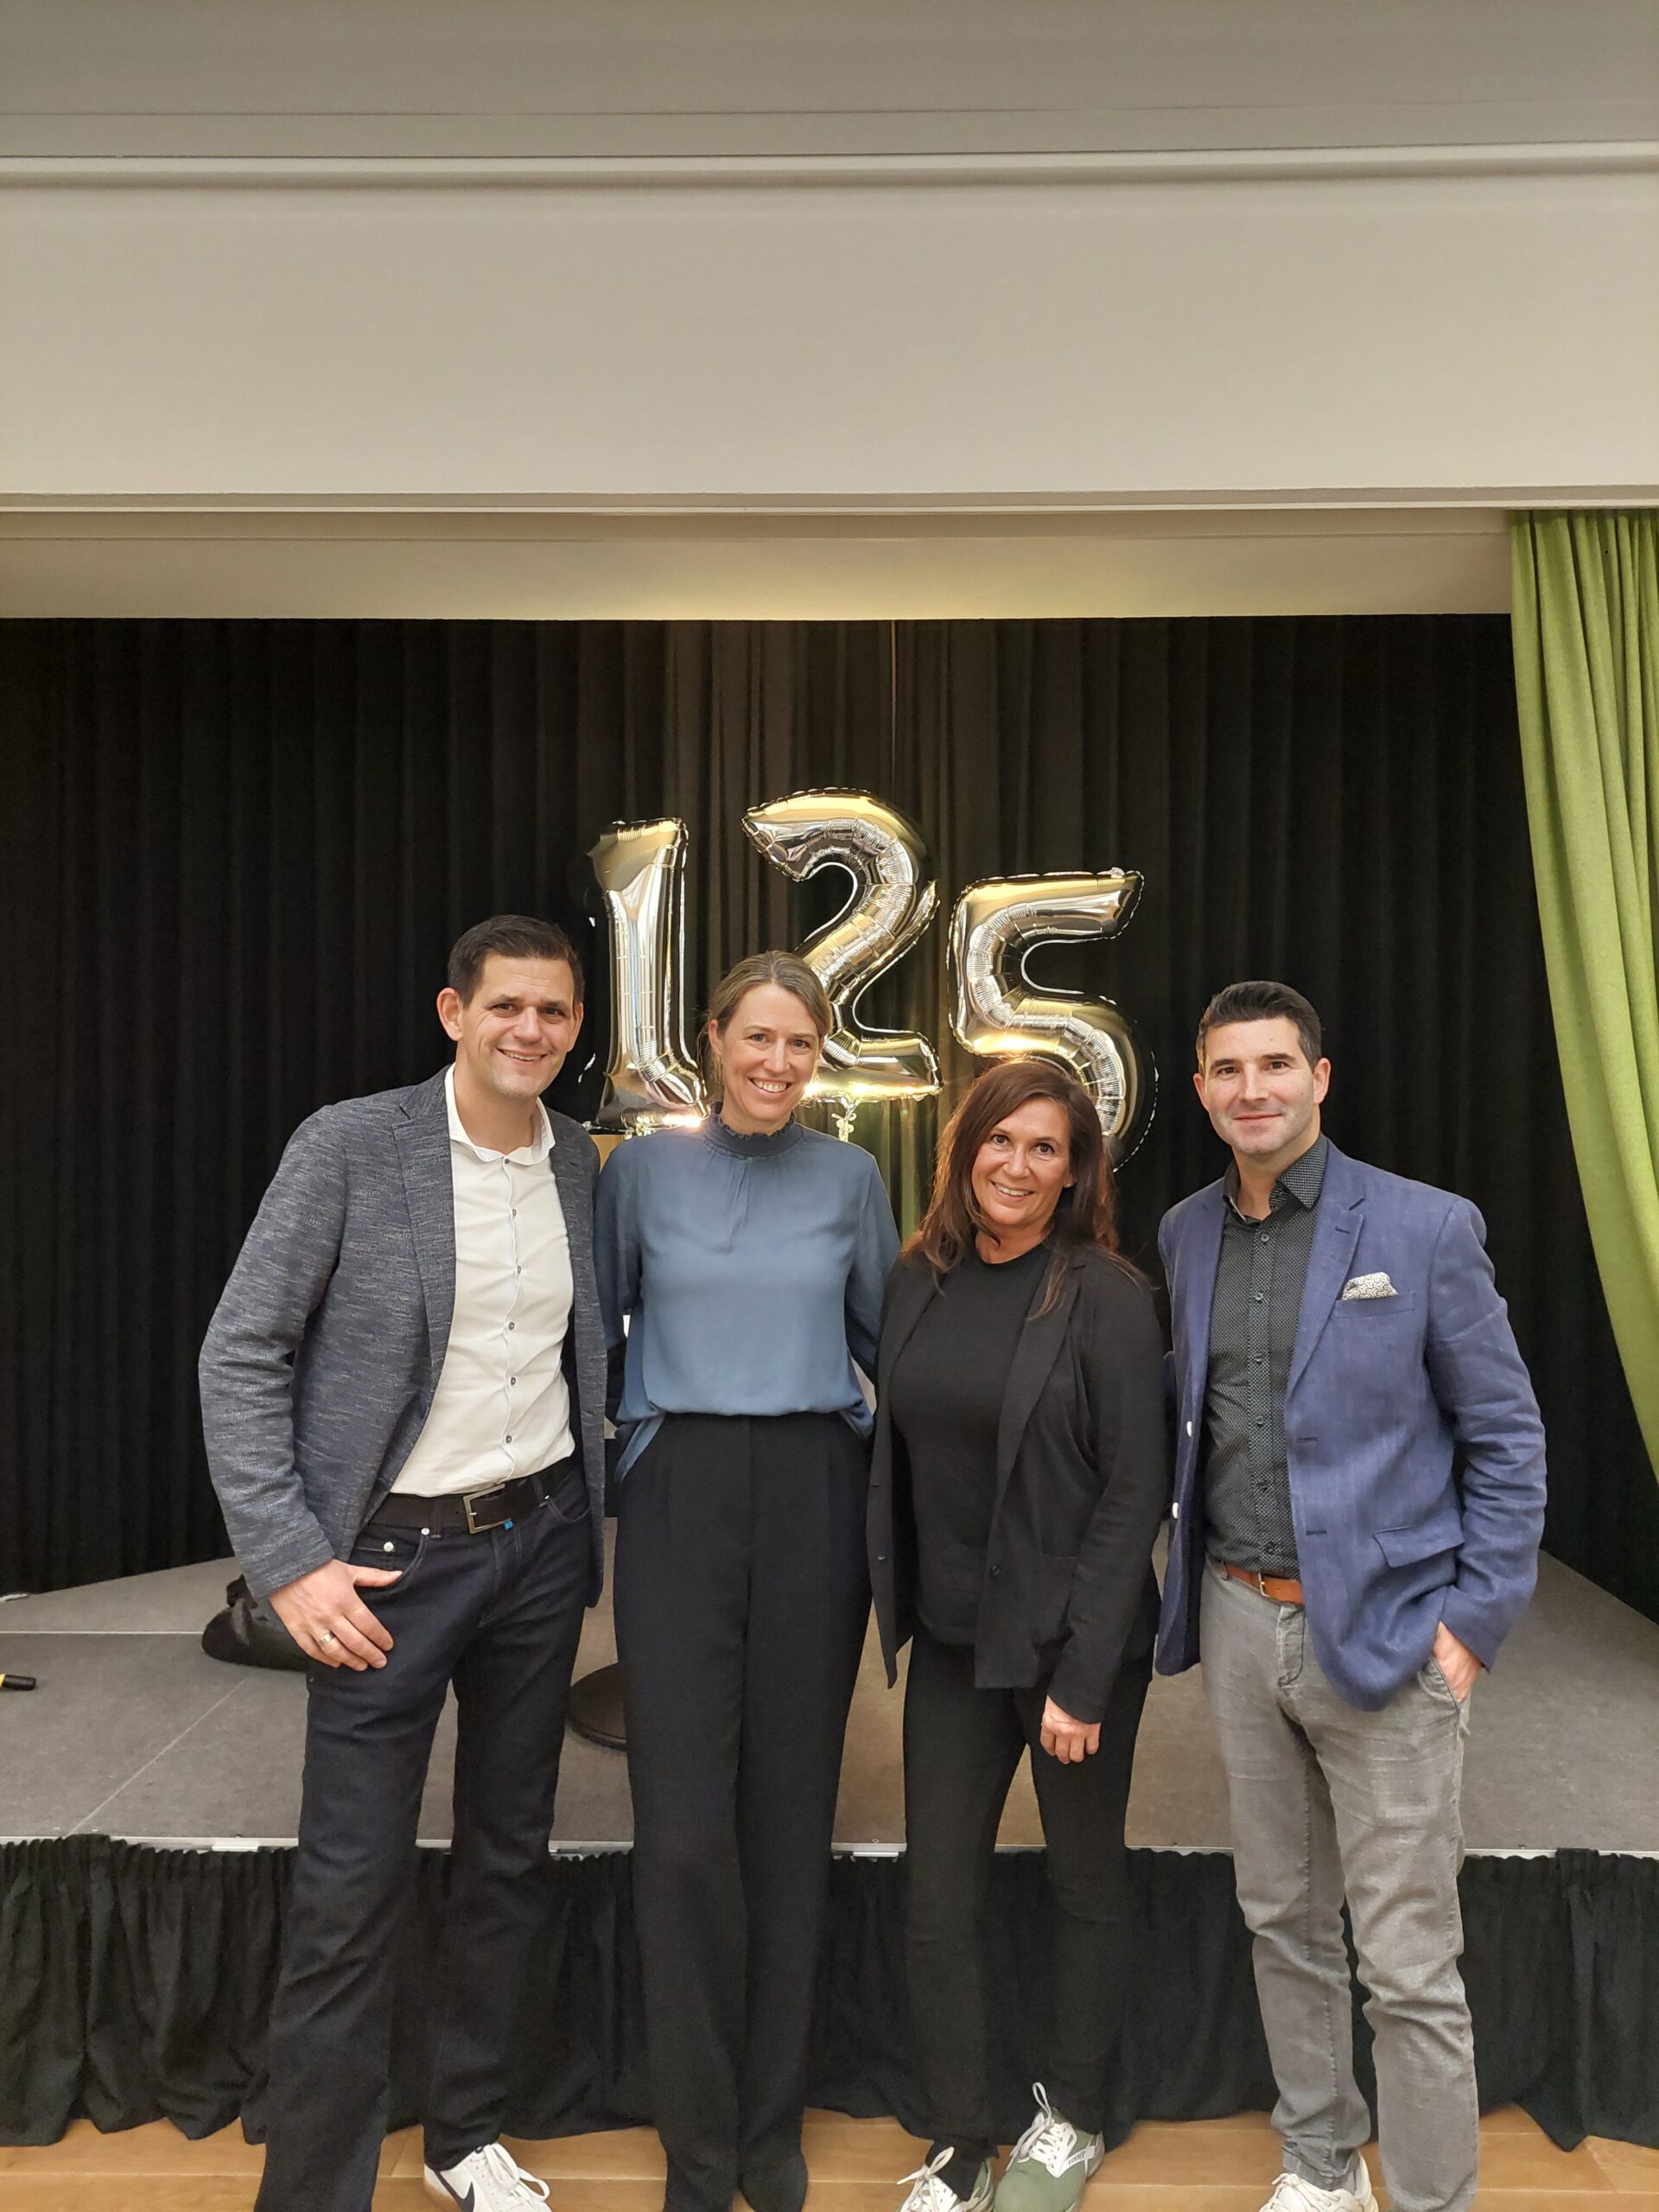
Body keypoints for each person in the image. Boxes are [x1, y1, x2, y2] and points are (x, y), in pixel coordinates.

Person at [199, 915, 607, 2212]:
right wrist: (288, 1561)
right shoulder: (350, 1146)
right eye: (507, 1006)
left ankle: (465, 2136)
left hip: (540, 1543)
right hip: (389, 1566)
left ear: (575, 1027)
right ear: (453, 1012)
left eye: (553, 1011)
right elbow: (239, 1353)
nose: (529, 1030)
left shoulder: (579, 1160)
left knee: (508, 1858)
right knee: (349, 1887)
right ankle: (316, 2188)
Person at [1157, 981, 1547, 2212]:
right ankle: (1322, 2172)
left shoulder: (1426, 1228)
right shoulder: (1184, 1233)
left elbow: (1507, 1437)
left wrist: (1472, 1623)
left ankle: (1431, 2200)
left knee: (1409, 1960)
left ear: (1319, 1078)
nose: (1253, 1089)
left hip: (1392, 1632)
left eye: (1276, 1065)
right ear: (1203, 1089)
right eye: (1229, 1070)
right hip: (1237, 1616)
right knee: (1282, 1920)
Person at [594, 950, 900, 2212]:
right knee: (679, 1834)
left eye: (800, 1044)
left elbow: (892, 1339)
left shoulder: (851, 1178)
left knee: (788, 1817)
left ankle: (768, 2131)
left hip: (815, 1489)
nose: (778, 1062)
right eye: (757, 1037)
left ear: (819, 1058)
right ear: (713, 1040)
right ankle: (697, 2136)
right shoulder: (639, 1173)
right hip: (680, 1494)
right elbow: (594, 1330)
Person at [868, 1060, 1167, 2212]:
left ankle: (1073, 2119)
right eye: (1002, 1140)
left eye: (1047, 1148)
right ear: (967, 1148)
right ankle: (960, 2135)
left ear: (1076, 1171)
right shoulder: (919, 1278)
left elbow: (1132, 1496)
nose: (1019, 1165)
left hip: (1068, 1654)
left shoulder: (1106, 1296)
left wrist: (1082, 1679)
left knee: (1084, 1883)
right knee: (937, 1899)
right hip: (955, 1644)